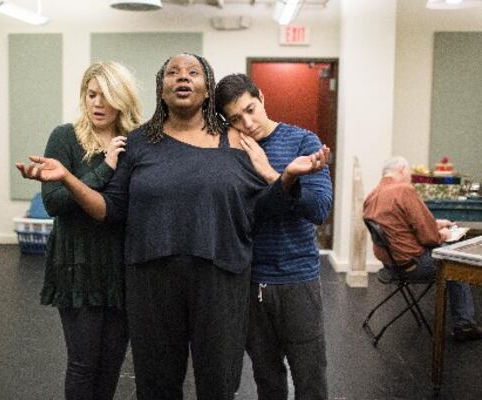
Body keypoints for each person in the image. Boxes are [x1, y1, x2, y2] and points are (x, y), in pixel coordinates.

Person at [17, 53, 328, 400]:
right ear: (161, 90)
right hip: (151, 285)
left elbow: (260, 210)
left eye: (193, 73)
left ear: (208, 90)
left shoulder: (238, 143)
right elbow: (111, 209)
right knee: (156, 386)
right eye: (173, 73)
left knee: (218, 384)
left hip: (221, 283)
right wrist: (68, 178)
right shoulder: (137, 143)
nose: (183, 78)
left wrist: (284, 177)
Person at [215, 73, 333, 400]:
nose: (248, 122)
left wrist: (274, 174)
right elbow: (246, 216)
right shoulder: (232, 150)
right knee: (267, 380)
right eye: (236, 119)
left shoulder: (302, 141)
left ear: (262, 97)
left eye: (251, 109)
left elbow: (319, 210)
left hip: (298, 280)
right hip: (250, 281)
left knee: (310, 379)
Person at [38, 62, 142, 400]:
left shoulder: (135, 142)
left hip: (120, 264)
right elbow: (54, 201)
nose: (97, 103)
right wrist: (105, 166)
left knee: (111, 364)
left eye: (107, 96)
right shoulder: (65, 137)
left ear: (122, 99)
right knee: (83, 363)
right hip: (77, 263)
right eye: (91, 94)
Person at [363, 156, 482, 342]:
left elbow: (400, 226)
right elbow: (429, 237)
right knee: (455, 265)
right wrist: (442, 232)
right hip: (412, 265)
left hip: (391, 265)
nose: (410, 177)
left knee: (444, 252)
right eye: (409, 173)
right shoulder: (404, 190)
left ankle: (464, 322)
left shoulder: (373, 195)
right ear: (402, 169)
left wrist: (435, 224)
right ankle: (464, 324)